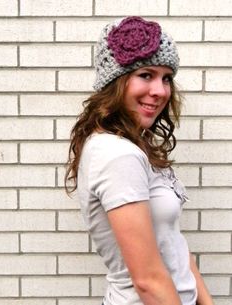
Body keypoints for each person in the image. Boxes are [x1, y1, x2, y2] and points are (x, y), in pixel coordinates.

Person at [66, 16, 214, 305]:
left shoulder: (136, 146)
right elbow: (146, 281)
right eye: (146, 74)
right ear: (115, 83)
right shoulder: (117, 154)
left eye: (166, 78)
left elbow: (173, 242)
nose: (160, 90)